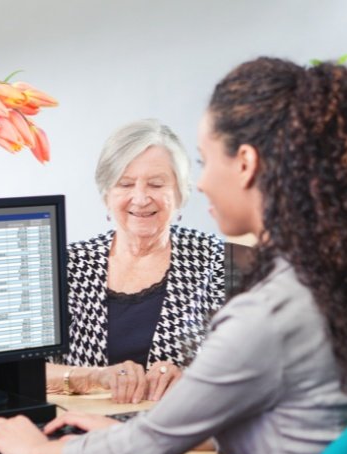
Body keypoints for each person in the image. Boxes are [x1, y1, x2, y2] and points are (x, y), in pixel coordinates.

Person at [0, 57, 347, 454]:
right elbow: (296, 426)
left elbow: (142, 452)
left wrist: (35, 449)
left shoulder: (268, 312)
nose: (202, 181)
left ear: (245, 164)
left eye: (206, 162)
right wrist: (141, 426)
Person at [45, 119, 225, 404]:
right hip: (85, 426)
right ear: (107, 195)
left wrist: (191, 379)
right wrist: (93, 377)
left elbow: (255, 366)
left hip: (181, 428)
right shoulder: (67, 264)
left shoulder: (217, 259)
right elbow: (22, 372)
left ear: (180, 193)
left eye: (156, 184)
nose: (140, 198)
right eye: (125, 184)